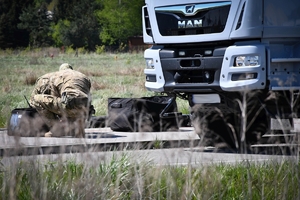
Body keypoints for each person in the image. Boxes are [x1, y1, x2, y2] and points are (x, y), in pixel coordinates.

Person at [30, 63, 93, 137]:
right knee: (75, 102)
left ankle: (56, 129)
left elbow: (39, 97)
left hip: (68, 106)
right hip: (86, 110)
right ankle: (78, 130)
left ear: (60, 70)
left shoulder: (54, 75)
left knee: (35, 99)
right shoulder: (84, 77)